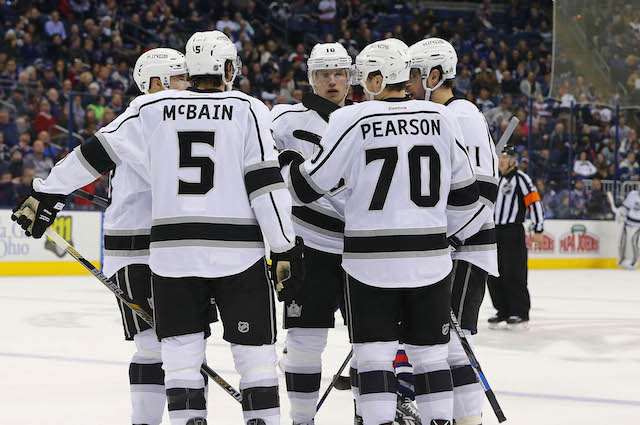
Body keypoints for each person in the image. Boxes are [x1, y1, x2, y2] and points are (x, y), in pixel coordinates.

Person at [12, 31, 302, 425]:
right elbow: (266, 187)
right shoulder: (249, 108)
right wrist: (283, 246)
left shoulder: (151, 109)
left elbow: (92, 152)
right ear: (229, 69)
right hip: (237, 254)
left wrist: (44, 192)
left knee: (180, 362)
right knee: (255, 361)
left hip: (171, 255)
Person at [280, 38, 483, 425]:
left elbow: (307, 189)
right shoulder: (441, 118)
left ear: (375, 78)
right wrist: (438, 236)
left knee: (373, 357)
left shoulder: (351, 118)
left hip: (367, 261)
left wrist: (290, 163)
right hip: (430, 261)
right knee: (431, 357)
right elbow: (468, 198)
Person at [408, 37, 499, 425]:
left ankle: (468, 420)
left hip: (464, 249)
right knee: (437, 345)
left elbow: (484, 191)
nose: (406, 82)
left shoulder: (460, 115)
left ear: (433, 75)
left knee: (454, 348)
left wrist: (451, 235)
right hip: (445, 250)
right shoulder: (437, 116)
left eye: (412, 75)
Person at [270, 42, 356, 425]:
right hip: (311, 245)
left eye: (339, 73)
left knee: (371, 344)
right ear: (311, 78)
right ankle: (301, 419)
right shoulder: (286, 119)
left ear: (351, 77)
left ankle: (371, 414)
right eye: (324, 74)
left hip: (361, 249)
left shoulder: (364, 119)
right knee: (306, 341)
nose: (332, 81)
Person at [104, 48, 190, 425]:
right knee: (152, 344)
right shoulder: (141, 121)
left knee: (178, 342)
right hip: (138, 249)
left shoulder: (163, 121)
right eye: (181, 78)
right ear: (157, 83)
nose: (188, 86)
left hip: (160, 245)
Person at [488, 145, 544, 329]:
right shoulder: (495, 179)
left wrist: (538, 228)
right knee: (494, 273)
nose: (502, 160)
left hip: (512, 231)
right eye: (500, 157)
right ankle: (502, 310)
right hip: (494, 231)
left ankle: (519, 312)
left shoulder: (521, 179)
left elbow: (534, 202)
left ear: (513, 160)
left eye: (505, 157)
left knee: (514, 272)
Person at [616, 190, 640, 269]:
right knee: (622, 242)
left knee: (634, 242)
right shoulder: (633, 194)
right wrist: (620, 213)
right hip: (628, 223)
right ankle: (622, 258)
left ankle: (635, 260)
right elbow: (626, 207)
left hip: (638, 225)